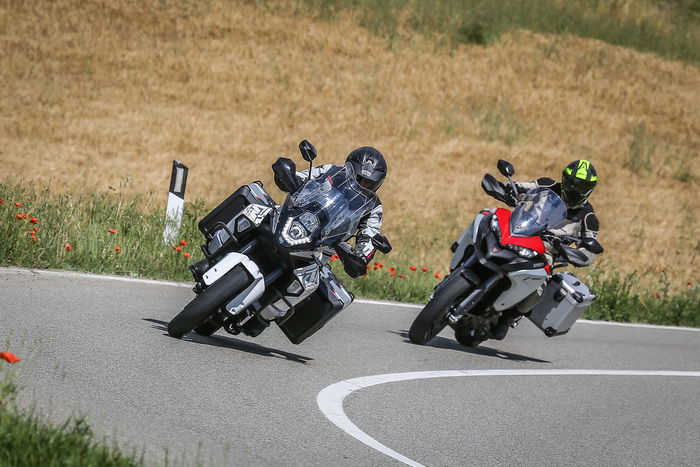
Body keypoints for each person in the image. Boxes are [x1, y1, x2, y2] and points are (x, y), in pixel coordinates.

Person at [491, 159, 600, 339]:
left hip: (544, 253)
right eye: (571, 182)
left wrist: (577, 254)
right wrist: (507, 190)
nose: (574, 188)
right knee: (488, 224)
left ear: (590, 188)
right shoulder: (547, 185)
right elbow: (519, 187)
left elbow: (590, 248)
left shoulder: (588, 217)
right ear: (564, 179)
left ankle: (507, 318)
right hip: (519, 230)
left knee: (539, 288)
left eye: (581, 186)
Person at [279, 146, 388, 278]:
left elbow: (370, 233)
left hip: (319, 250)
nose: (361, 184)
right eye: (358, 178)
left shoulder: (373, 207)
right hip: (291, 219)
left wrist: (362, 256)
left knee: (331, 294)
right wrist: (288, 177)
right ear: (349, 169)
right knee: (253, 198)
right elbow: (303, 177)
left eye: (368, 183)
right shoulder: (331, 171)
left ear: (378, 183)